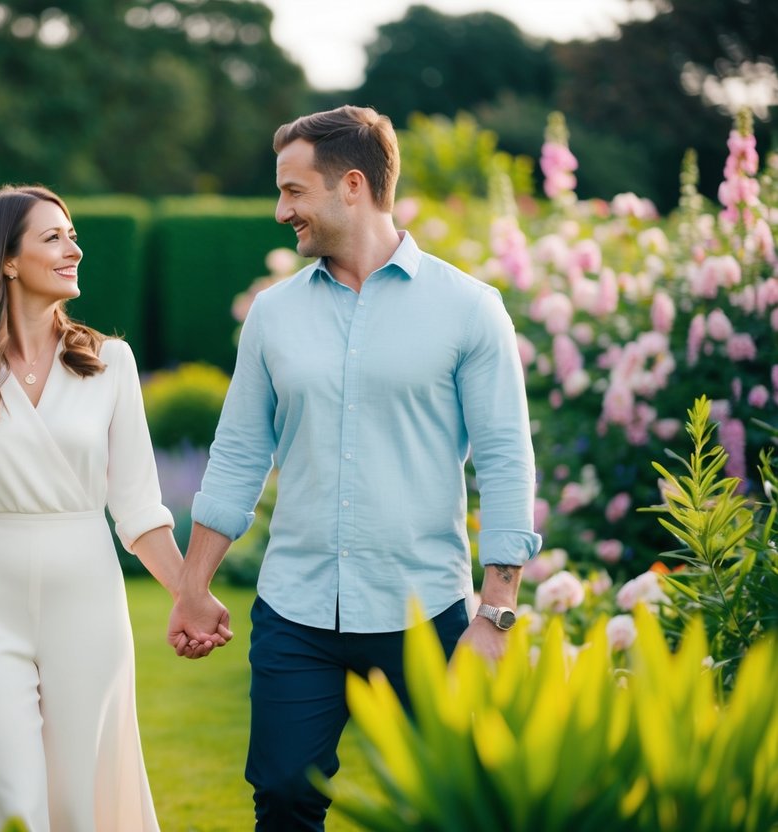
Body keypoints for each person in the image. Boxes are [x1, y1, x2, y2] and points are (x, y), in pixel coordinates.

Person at [167, 105, 543, 830]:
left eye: (292, 191)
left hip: (422, 612)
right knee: (281, 794)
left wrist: (494, 614)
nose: (281, 211)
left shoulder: (469, 309)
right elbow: (239, 453)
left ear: (350, 186)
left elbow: (504, 460)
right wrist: (193, 586)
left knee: (454, 802)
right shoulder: (273, 316)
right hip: (297, 611)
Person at [0, 185, 191, 832]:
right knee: (8, 800)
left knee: (79, 799)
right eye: (52, 237)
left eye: (71, 233)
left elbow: (138, 506)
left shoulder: (110, 363)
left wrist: (187, 592)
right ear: (4, 260)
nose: (73, 248)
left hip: (86, 595)